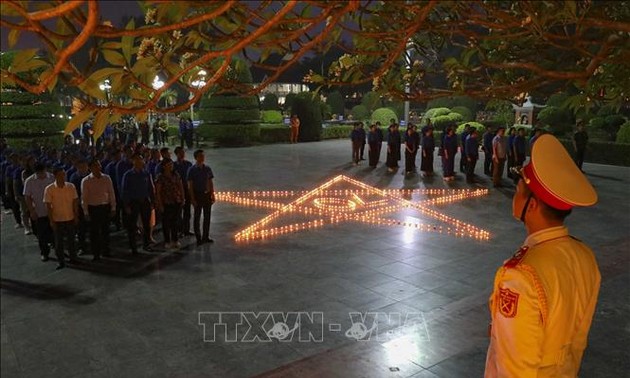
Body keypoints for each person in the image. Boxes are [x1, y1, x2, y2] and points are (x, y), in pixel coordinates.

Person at [485, 134, 600, 377]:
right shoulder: (584, 255)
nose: (514, 198)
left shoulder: (521, 276)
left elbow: (515, 367)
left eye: (518, 191)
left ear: (533, 205)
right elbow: (578, 341)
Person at [44, 167, 80, 270]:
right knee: (58, 242)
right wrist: (51, 220)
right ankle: (61, 261)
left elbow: (75, 201)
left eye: (63, 175)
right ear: (55, 176)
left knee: (71, 239)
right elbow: (48, 206)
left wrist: (76, 215)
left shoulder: (70, 186)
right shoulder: (49, 189)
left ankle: (73, 257)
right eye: (60, 175)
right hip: (57, 219)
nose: (62, 177)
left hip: (70, 217)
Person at [81, 159, 116, 260]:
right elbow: (84, 198)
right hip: (93, 208)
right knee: (94, 232)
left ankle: (106, 250)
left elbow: (111, 193)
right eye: (95, 166)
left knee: (106, 231)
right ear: (90, 168)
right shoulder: (86, 181)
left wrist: (113, 207)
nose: (98, 167)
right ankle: (96, 253)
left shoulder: (106, 178)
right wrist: (86, 212)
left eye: (99, 165)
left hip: (104, 207)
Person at [121, 153, 155, 254]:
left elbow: (150, 188)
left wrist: (152, 201)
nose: (140, 162)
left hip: (145, 201)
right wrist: (126, 205)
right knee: (132, 225)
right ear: (133, 161)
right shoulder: (128, 175)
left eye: (141, 160)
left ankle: (146, 244)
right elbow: (125, 190)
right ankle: (133, 246)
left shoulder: (146, 173)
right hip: (133, 202)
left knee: (146, 224)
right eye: (137, 160)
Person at [23, 163, 55, 261]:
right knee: (41, 234)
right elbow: (27, 197)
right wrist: (32, 211)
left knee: (55, 233)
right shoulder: (30, 181)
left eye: (43, 172)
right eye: (39, 173)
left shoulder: (52, 177)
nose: (42, 175)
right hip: (39, 211)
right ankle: (44, 253)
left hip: (53, 211)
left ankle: (59, 251)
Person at [187, 150, 215, 246]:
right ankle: (198, 237)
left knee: (207, 216)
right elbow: (190, 185)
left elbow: (210, 182)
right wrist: (192, 198)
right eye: (200, 156)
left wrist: (212, 194)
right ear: (196, 158)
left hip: (206, 195)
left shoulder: (207, 168)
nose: (202, 158)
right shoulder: (192, 170)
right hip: (197, 194)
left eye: (203, 156)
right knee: (197, 216)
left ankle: (205, 236)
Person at [155, 158, 185, 250]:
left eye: (171, 165)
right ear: (164, 166)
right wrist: (160, 204)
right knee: (166, 222)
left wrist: (182, 198)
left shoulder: (176, 175)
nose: (170, 166)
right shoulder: (160, 177)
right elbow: (158, 192)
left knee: (175, 222)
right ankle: (167, 241)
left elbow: (180, 186)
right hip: (166, 202)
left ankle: (175, 240)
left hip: (176, 200)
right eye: (168, 165)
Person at [69, 159, 91, 254]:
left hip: (91, 204)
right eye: (81, 167)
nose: (83, 169)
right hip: (80, 205)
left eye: (85, 166)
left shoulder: (91, 176)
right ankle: (82, 247)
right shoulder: (74, 178)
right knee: (81, 228)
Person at [174, 147, 193, 236]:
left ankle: (186, 229)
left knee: (187, 211)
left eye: (183, 152)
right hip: (177, 190)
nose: (182, 154)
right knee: (178, 211)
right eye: (180, 153)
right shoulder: (173, 165)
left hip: (187, 189)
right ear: (176, 154)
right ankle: (179, 229)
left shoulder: (188, 164)